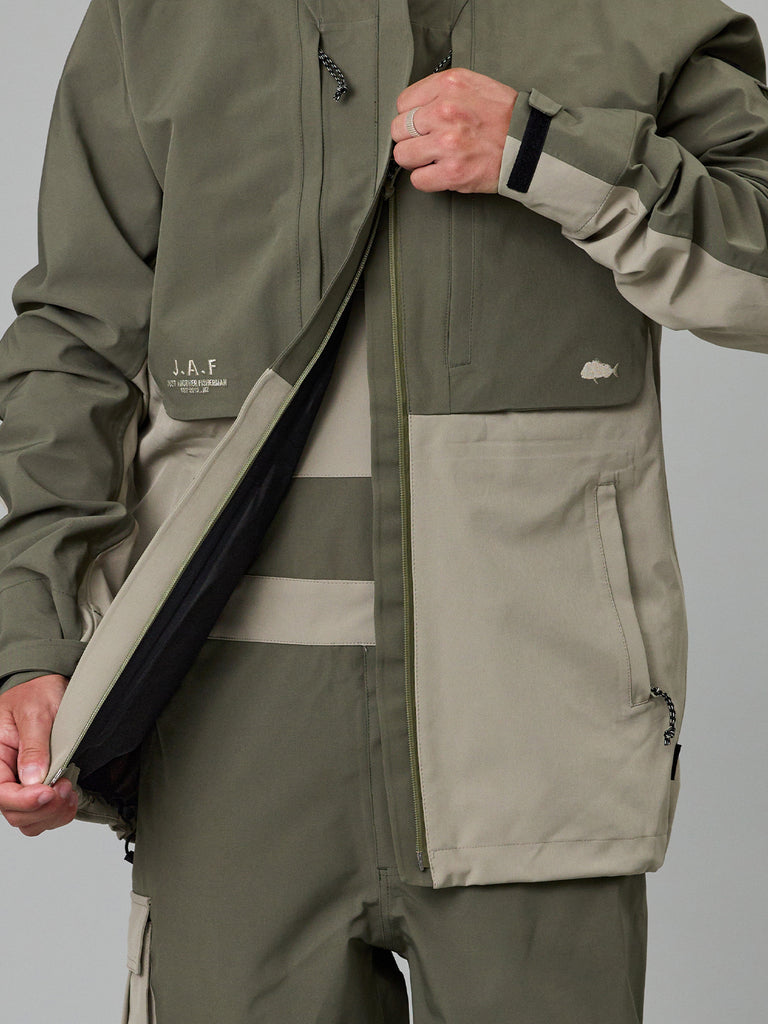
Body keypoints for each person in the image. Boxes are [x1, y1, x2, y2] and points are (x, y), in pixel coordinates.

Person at [1, 0, 767, 1020]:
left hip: (535, 737)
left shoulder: (634, 11)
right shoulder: (158, 18)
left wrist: (547, 150)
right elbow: (74, 345)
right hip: (229, 753)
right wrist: (35, 640)